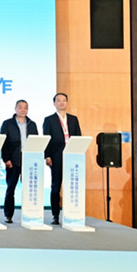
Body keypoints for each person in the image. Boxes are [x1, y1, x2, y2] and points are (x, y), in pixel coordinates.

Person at [43, 92, 82, 225]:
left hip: (72, 157)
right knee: (56, 186)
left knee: (72, 185)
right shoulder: (49, 120)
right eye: (58, 100)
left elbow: (78, 136)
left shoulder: (73, 119)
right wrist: (47, 155)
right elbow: (46, 139)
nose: (61, 102)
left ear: (67, 102)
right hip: (56, 156)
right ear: (54, 103)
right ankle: (55, 215)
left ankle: (72, 214)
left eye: (64, 100)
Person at [0, 99, 38, 223]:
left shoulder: (32, 124)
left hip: (28, 160)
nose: (23, 110)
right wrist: (6, 159)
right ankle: (8, 215)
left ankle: (29, 214)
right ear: (15, 109)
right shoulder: (7, 123)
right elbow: (3, 143)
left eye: (25, 108)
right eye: (20, 107)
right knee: (11, 188)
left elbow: (36, 142)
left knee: (29, 189)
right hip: (13, 160)